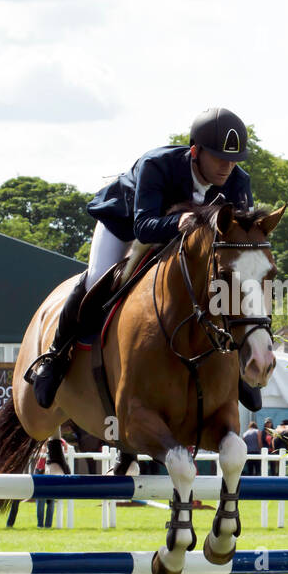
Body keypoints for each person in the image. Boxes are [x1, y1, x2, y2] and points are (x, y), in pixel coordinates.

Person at [27, 107, 256, 411]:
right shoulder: (156, 165)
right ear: (195, 152)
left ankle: (238, 367)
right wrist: (179, 222)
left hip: (183, 243)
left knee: (223, 285)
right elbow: (143, 228)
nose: (227, 167)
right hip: (125, 225)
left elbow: (241, 237)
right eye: (219, 157)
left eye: (233, 160)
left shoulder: (238, 182)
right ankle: (55, 357)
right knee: (97, 277)